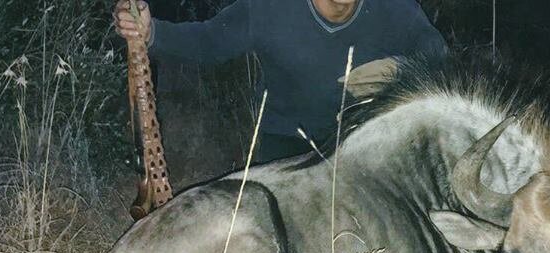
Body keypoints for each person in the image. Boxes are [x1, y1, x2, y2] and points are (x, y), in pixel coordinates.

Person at [115, 0, 447, 163]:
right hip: (285, 147)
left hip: (362, 144)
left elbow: (438, 54)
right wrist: (152, 32)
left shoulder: (394, 9)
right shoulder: (267, 7)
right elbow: (209, 41)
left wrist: (403, 69)